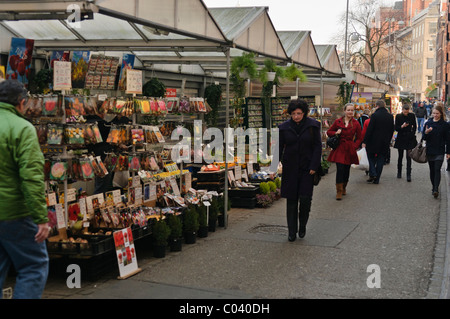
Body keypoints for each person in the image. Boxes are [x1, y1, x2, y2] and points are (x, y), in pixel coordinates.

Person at [0, 80, 49, 298]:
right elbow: (32, 178)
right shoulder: (23, 128)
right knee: (33, 266)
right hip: (14, 214)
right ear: (21, 103)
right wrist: (41, 217)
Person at [279, 99, 322, 241]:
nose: (296, 116)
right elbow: (278, 148)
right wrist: (275, 166)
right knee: (291, 201)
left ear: (304, 113)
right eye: (293, 113)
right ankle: (291, 231)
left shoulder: (313, 126)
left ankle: (302, 225)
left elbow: (317, 147)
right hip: (290, 168)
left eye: (299, 113)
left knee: (305, 200)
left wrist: (314, 166)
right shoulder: (284, 127)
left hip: (307, 169)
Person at [327, 103, 363, 200]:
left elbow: (360, 138)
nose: (350, 112)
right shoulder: (338, 121)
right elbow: (328, 132)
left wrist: (355, 146)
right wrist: (335, 133)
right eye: (348, 110)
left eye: (352, 110)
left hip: (350, 148)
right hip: (339, 148)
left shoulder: (356, 123)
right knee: (340, 169)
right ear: (344, 111)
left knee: (346, 169)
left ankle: (344, 187)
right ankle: (338, 191)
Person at [362, 99, 395, 184]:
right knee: (381, 159)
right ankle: (377, 179)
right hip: (385, 142)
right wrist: (389, 140)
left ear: (377, 106)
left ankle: (373, 172)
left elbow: (370, 129)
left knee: (370, 157)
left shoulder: (374, 115)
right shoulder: (390, 116)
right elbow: (392, 129)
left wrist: (365, 141)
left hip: (373, 141)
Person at [422, 103, 450, 198]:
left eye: (437, 113)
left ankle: (435, 189)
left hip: (440, 150)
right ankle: (434, 186)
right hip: (430, 150)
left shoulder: (445, 125)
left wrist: (448, 152)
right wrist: (426, 132)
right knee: (432, 170)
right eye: (434, 113)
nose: (435, 115)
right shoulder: (428, 123)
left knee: (437, 169)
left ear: (441, 114)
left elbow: (448, 139)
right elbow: (424, 138)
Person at [393, 104, 417, 182]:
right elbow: (396, 128)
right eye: (405, 111)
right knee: (400, 156)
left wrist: (412, 133)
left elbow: (414, 126)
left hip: (409, 138)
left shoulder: (412, 116)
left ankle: (408, 174)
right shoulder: (398, 116)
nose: (406, 113)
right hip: (401, 137)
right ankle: (399, 172)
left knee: (409, 157)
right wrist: (402, 126)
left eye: (407, 111)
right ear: (402, 110)